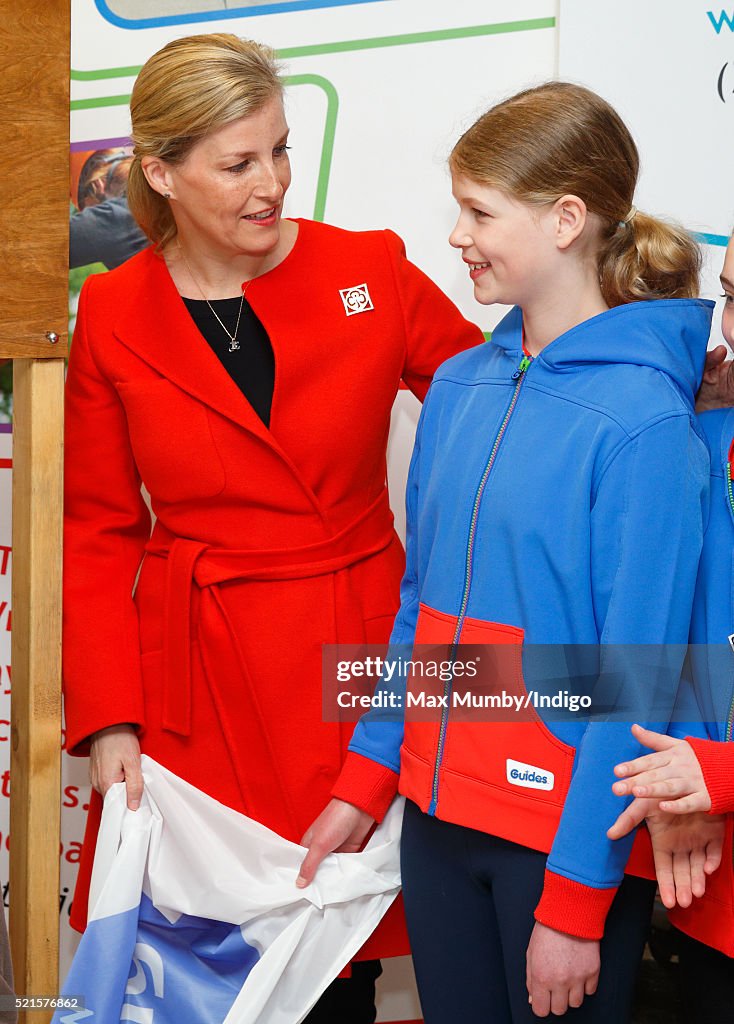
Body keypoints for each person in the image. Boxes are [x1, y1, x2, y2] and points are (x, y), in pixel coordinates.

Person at [62, 33, 482, 1022]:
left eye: (280, 151)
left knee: (337, 944)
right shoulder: (113, 312)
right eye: (239, 162)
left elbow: (497, 398)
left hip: (353, 653)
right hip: (194, 676)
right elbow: (97, 529)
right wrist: (109, 714)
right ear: (160, 172)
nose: (272, 184)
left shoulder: (365, 269)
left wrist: (644, 372)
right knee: (205, 956)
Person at [298, 81, 713, 1022]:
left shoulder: (644, 423)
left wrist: (573, 904)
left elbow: (636, 685)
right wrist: (367, 780)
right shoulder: (457, 383)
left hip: (560, 851)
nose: (457, 235)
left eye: (479, 212)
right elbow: (420, 609)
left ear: (567, 220)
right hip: (434, 826)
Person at [607, 234, 734, 1021]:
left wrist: (714, 778)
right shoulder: (701, 439)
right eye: (731, 292)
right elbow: (678, 646)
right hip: (704, 893)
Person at [69, 148, 148, 270]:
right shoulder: (152, 190)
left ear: (97, 185)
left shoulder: (115, 217)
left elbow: (41, 245)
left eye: (86, 209)